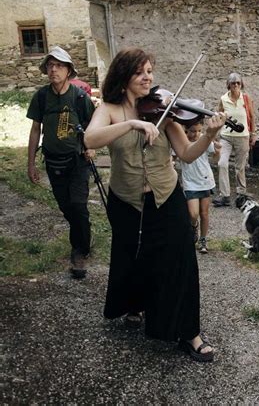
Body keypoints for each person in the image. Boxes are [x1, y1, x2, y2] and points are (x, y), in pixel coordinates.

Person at [84, 47, 226, 362]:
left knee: (181, 260)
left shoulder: (164, 110)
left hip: (165, 196)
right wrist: (133, 125)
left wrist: (210, 134)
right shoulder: (109, 109)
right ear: (124, 77)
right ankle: (134, 303)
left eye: (150, 70)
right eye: (140, 72)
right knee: (131, 254)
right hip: (126, 200)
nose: (148, 77)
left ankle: (190, 334)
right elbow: (90, 140)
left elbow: (187, 153)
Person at [27, 46, 96, 279]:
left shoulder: (79, 97)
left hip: (77, 161)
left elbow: (92, 125)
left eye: (58, 66)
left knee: (78, 205)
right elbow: (36, 129)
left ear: (68, 71)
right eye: (50, 65)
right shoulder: (41, 96)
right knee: (66, 207)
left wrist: (92, 147)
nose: (53, 70)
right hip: (53, 162)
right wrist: (31, 164)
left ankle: (80, 251)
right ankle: (83, 234)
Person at [212, 72, 256, 207]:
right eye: (233, 83)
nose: (236, 85)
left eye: (238, 83)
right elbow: (218, 116)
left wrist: (253, 134)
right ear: (228, 85)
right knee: (222, 163)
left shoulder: (246, 98)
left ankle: (241, 193)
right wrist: (214, 134)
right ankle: (225, 195)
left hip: (242, 137)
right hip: (226, 136)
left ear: (241, 84)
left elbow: (252, 117)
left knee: (240, 166)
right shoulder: (223, 99)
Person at [180, 121, 221, 254]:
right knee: (193, 214)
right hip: (190, 182)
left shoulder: (205, 140)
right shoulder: (180, 140)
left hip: (205, 180)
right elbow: (174, 157)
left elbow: (215, 160)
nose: (196, 134)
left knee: (204, 213)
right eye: (192, 131)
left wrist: (218, 152)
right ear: (185, 130)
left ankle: (203, 240)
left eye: (198, 131)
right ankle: (193, 226)